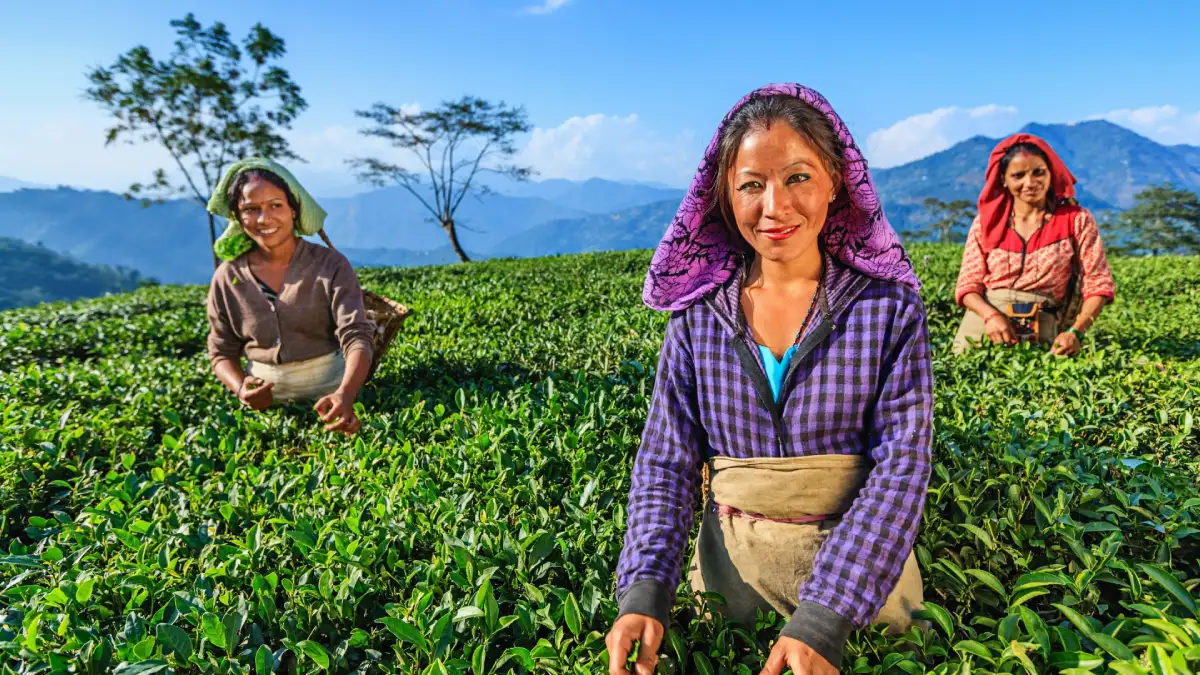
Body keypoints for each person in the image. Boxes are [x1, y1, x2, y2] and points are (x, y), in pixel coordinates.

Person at [607, 84, 933, 675]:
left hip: (863, 597)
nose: (774, 207)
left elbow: (902, 467)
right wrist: (645, 592)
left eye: (799, 178)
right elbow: (666, 462)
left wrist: (825, 618)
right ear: (726, 197)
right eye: (751, 185)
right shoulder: (698, 319)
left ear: (836, 182)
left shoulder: (887, 310)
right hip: (731, 583)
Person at [205, 157, 375, 435]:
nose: (264, 219)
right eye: (251, 209)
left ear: (293, 210)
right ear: (237, 216)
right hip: (265, 408)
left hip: (332, 391)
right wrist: (241, 388)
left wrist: (345, 394)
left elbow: (356, 334)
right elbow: (221, 350)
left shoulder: (330, 265)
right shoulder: (227, 276)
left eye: (275, 205)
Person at [952, 133, 1116, 355]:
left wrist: (1076, 332)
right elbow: (967, 287)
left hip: (1043, 321)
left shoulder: (1076, 220)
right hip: (986, 321)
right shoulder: (986, 222)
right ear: (1004, 179)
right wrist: (991, 316)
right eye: (1018, 175)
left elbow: (1098, 284)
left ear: (1051, 174)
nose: (1030, 183)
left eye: (1038, 172)